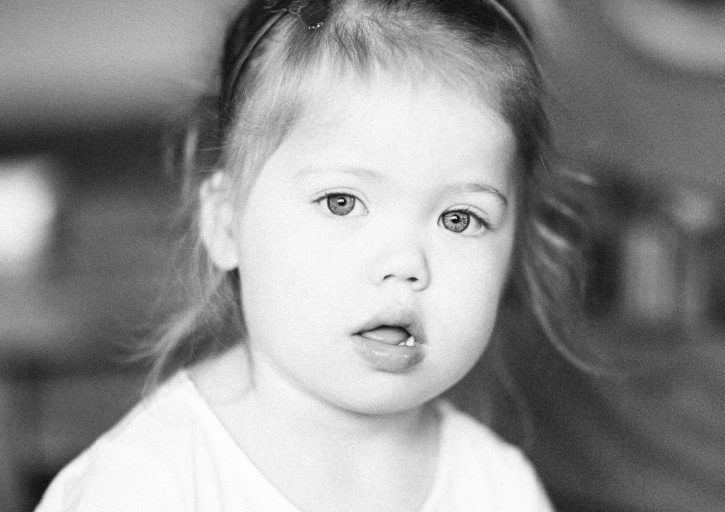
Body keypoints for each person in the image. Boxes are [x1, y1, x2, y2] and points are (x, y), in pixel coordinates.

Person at [36, 0, 584, 510]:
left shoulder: (498, 487)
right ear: (227, 222)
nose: (406, 263)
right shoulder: (144, 487)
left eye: (460, 219)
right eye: (341, 202)